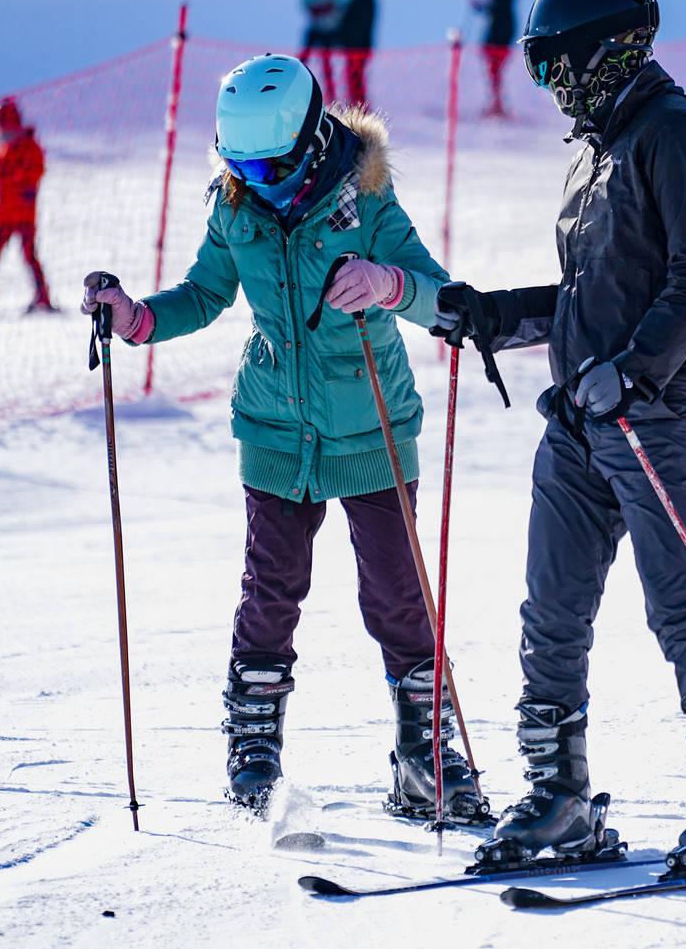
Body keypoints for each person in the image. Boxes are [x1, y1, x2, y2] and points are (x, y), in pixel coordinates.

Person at [79, 53, 487, 823]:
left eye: (269, 164)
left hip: (370, 418)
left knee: (399, 596)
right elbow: (203, 293)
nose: (255, 179)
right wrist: (135, 317)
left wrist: (386, 284)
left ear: (306, 142)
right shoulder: (235, 206)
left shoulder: (365, 199)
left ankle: (425, 757)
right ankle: (254, 744)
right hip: (276, 425)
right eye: (240, 164)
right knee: (271, 591)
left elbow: (439, 294)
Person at [429, 0, 686, 874]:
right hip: (584, 418)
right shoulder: (597, 150)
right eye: (536, 65)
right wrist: (494, 314)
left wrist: (636, 371)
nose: (548, 83)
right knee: (551, 610)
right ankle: (560, 798)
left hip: (661, 416)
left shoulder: (679, 139)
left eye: (553, 62)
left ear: (603, 51)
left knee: (680, 606)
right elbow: (590, 298)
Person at [0, 99, 55, 314]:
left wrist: (14, 178)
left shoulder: (30, 147)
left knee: (29, 254)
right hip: (4, 215)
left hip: (24, 215)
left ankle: (42, 297)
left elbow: (33, 174)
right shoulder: (5, 149)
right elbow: (0, 173)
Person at [470, 0, 518, 117]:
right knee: (495, 75)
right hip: (499, 42)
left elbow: (497, 14)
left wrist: (482, 7)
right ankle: (497, 104)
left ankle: (498, 105)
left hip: (498, 43)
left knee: (495, 74)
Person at [298, 0, 342, 98]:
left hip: (327, 30)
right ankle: (294, 88)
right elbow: (305, 3)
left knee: (326, 65)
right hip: (317, 29)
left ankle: (331, 95)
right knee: (303, 62)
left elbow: (336, 4)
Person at [335, 0, 375, 109]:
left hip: (359, 47)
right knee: (353, 80)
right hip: (353, 47)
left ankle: (360, 109)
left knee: (356, 81)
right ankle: (356, 107)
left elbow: (359, 24)